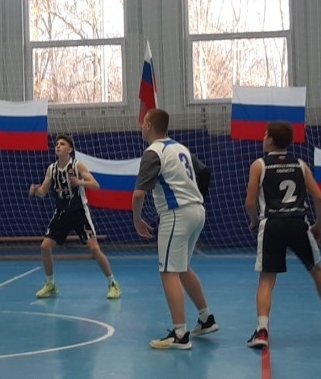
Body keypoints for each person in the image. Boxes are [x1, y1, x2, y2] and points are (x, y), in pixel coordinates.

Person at [132, 108, 217, 350]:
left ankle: (180, 334)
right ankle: (206, 318)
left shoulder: (153, 152)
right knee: (182, 268)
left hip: (177, 214)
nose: (141, 126)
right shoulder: (181, 148)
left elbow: (138, 194)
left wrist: (137, 220)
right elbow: (205, 172)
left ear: (149, 126)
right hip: (197, 210)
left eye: (143, 122)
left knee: (168, 271)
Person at [244, 121, 321, 349]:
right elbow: (320, 198)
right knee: (318, 272)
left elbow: (250, 202)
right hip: (298, 223)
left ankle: (262, 331)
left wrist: (255, 221)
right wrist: (319, 225)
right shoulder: (300, 165)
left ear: (271, 141)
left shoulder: (259, 165)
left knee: (266, 280)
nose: (263, 138)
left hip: (272, 224)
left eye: (265, 135)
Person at [28, 134, 121, 300]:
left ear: (69, 149)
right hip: (61, 213)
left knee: (94, 249)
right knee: (45, 247)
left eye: (62, 144)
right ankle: (50, 284)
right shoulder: (51, 169)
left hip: (79, 212)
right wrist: (35, 190)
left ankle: (113, 283)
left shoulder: (77, 165)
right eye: (57, 144)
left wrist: (80, 182)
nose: (58, 146)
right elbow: (43, 192)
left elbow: (96, 185)